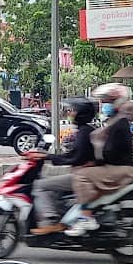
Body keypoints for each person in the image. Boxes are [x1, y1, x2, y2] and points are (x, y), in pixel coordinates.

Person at [70, 100, 133, 235]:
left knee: (81, 175)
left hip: (119, 169)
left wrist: (96, 161)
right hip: (123, 168)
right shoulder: (119, 123)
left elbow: (110, 151)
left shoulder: (118, 124)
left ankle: (86, 216)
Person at [32, 99, 98, 236]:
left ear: (81, 113)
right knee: (52, 185)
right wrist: (49, 156)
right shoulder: (85, 130)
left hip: (82, 176)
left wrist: (48, 157)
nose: (70, 113)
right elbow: (73, 155)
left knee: (40, 185)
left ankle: (50, 221)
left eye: (73, 110)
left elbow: (75, 157)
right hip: (85, 173)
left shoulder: (84, 132)